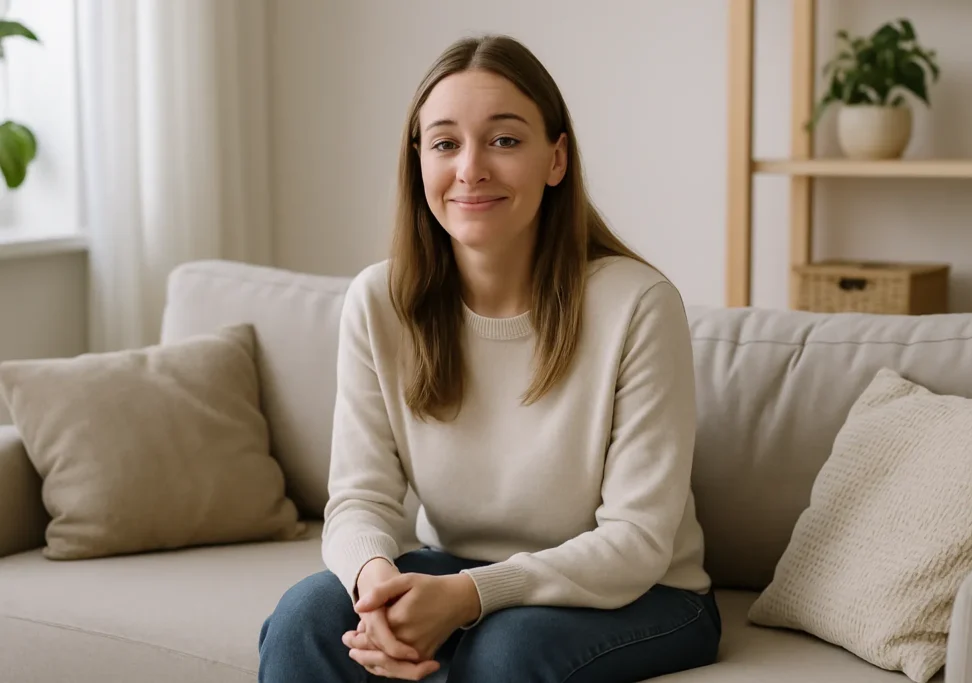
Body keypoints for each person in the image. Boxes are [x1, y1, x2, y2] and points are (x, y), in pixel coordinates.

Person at [258, 33, 721, 683]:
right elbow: (358, 499)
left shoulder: (637, 304)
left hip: (645, 594)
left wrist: (469, 595)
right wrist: (378, 583)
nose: (470, 167)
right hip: (456, 568)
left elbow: (638, 543)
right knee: (308, 614)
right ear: (419, 161)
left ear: (555, 159)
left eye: (504, 140)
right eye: (445, 142)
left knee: (506, 649)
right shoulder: (378, 301)